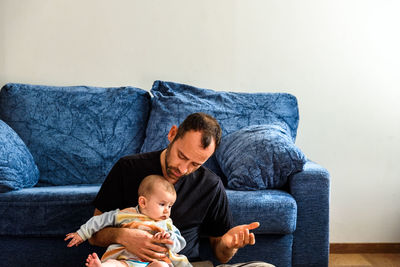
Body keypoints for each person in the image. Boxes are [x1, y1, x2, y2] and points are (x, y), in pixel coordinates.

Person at [90, 112, 274, 267]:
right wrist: (124, 236)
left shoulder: (211, 185)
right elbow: (93, 233)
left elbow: (222, 255)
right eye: (181, 156)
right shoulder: (128, 168)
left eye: (195, 164)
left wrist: (228, 245)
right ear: (172, 134)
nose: (183, 169)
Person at [65, 174, 192, 267]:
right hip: (124, 260)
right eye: (162, 204)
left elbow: (180, 244)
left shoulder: (166, 224)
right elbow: (100, 220)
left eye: (170, 206)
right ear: (143, 202)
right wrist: (82, 233)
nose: (167, 211)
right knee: (112, 264)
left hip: (151, 263)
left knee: (162, 266)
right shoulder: (126, 214)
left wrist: (168, 238)